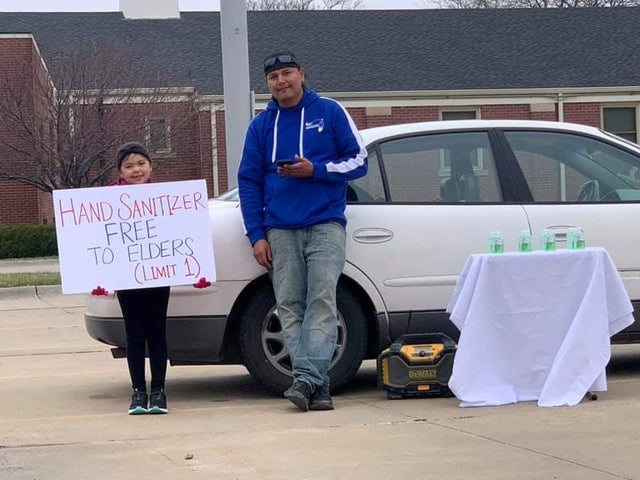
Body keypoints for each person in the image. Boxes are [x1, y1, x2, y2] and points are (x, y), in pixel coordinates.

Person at [237, 51, 368, 412]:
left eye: (287, 73)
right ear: (268, 84)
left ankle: (306, 381)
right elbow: (248, 182)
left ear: (302, 75)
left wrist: (317, 170)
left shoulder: (329, 111)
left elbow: (359, 160)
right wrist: (256, 235)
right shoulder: (261, 126)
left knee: (322, 301)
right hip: (279, 228)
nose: (281, 81)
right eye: (273, 77)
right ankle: (316, 385)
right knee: (289, 306)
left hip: (325, 223)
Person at [112, 142, 171, 415]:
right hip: (127, 278)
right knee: (134, 335)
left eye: (140, 163)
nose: (136, 170)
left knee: (157, 332)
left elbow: (182, 234)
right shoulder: (108, 202)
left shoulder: (167, 198)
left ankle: (158, 391)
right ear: (120, 171)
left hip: (158, 276)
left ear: (150, 166)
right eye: (129, 165)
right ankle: (138, 392)